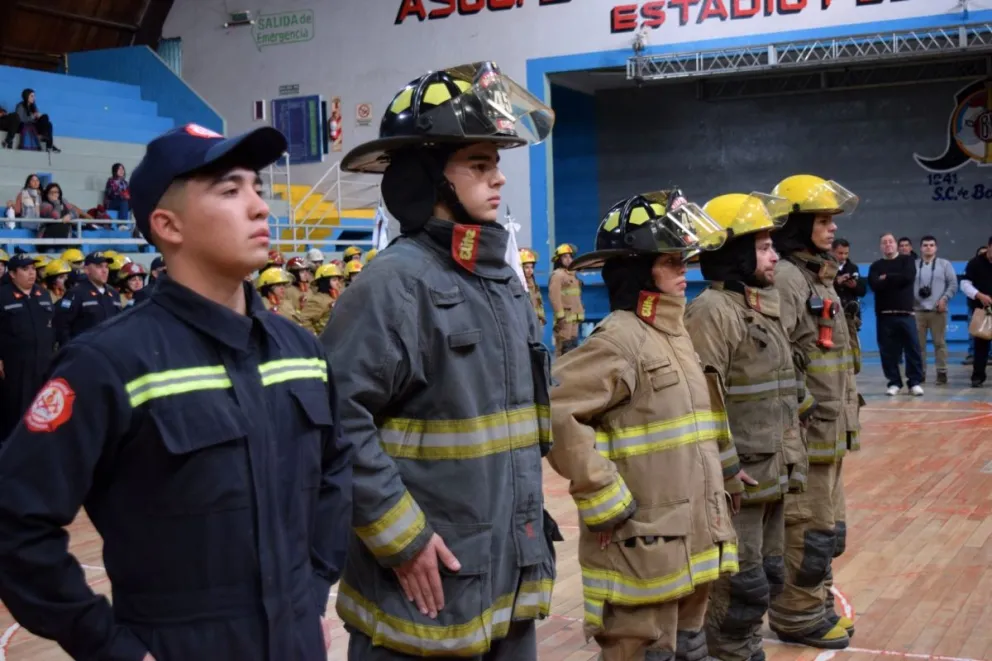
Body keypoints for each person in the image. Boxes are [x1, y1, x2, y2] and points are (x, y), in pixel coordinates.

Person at [0, 123, 352, 660]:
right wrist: (109, 646)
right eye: (230, 190)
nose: (259, 207)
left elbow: (336, 470)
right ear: (168, 225)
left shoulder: (299, 351)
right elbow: (14, 520)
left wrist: (310, 589)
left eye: (257, 187)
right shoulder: (110, 363)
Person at [321, 61, 558, 660]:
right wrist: (400, 538)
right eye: (480, 164)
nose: (498, 179)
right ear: (429, 178)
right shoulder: (391, 286)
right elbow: (336, 423)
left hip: (508, 576)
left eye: (497, 163)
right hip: (422, 592)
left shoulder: (503, 281)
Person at [548, 189, 737, 661]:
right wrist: (601, 492)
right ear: (638, 269)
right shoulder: (619, 338)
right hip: (641, 541)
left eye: (683, 260)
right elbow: (555, 411)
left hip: (692, 535)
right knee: (640, 651)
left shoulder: (676, 335)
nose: (683, 271)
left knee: (687, 648)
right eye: (671, 261)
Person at [685, 193, 806, 661]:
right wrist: (726, 469)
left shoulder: (760, 308)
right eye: (762, 247)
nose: (774, 255)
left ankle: (745, 649)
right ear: (734, 253)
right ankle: (729, 652)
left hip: (772, 475)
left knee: (768, 576)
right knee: (740, 586)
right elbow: (704, 401)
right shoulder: (712, 312)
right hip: (739, 484)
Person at [766, 174, 860, 650]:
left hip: (829, 432)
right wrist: (799, 413)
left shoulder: (813, 273)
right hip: (805, 434)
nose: (830, 230)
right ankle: (795, 614)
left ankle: (816, 602)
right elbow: (774, 355)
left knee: (827, 528)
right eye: (821, 220)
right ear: (798, 225)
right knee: (805, 528)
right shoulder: (786, 277)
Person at [0, 253, 56, 443]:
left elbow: (52, 327)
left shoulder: (43, 294)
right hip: (14, 366)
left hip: (43, 362)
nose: (31, 273)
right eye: (25, 269)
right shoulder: (3, 296)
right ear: (13, 274)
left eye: (33, 269)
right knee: (16, 410)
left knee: (42, 408)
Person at [868, 233, 924, 396]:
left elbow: (907, 278)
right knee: (888, 351)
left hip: (905, 314)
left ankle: (914, 382)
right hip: (884, 315)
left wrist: (886, 278)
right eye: (884, 242)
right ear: (880, 246)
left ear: (896, 244)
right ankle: (894, 382)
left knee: (913, 349)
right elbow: (874, 284)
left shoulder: (907, 261)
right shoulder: (876, 266)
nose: (888, 245)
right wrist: (889, 280)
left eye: (890, 242)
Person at [913, 236, 957, 385]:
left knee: (940, 343)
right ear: (920, 248)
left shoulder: (945, 264)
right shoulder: (914, 265)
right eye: (925, 245)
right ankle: (921, 373)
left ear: (936, 248)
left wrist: (944, 299)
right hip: (917, 311)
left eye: (931, 245)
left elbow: (953, 284)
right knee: (919, 345)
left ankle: (942, 372)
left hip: (938, 310)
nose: (928, 248)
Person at [54, 251, 121, 346]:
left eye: (106, 266)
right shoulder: (76, 293)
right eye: (99, 266)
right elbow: (62, 325)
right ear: (86, 270)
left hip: (109, 351)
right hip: (84, 353)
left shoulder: (113, 294)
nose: (104, 270)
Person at [961, 236, 992, 387]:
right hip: (982, 310)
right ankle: (978, 376)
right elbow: (965, 284)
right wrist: (979, 295)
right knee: (981, 344)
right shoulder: (975, 263)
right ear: (989, 247)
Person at [548, 243, 584, 356]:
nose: (568, 259)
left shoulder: (573, 275)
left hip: (574, 319)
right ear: (559, 259)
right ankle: (560, 373)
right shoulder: (557, 275)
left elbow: (576, 297)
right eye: (565, 257)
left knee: (572, 348)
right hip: (564, 320)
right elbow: (554, 296)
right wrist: (560, 316)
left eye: (570, 256)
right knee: (563, 348)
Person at [519, 247, 546, 331]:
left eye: (532, 267)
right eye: (527, 267)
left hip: (536, 322)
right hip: (525, 324)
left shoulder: (533, 283)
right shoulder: (518, 284)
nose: (530, 270)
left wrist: (541, 319)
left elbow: (538, 303)